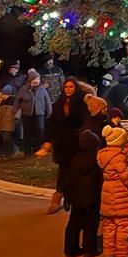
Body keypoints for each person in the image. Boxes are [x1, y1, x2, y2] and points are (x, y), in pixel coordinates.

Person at [97, 124, 128, 257]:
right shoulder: (118, 158)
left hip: (107, 192)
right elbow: (125, 176)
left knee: (109, 224)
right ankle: (122, 254)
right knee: (123, 225)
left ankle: (108, 252)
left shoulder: (105, 154)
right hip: (119, 193)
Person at [47, 78, 89, 215]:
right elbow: (52, 122)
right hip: (62, 144)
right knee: (63, 171)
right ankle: (57, 198)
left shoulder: (81, 103)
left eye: (71, 87)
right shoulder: (59, 103)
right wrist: (47, 140)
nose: (68, 89)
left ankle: (73, 198)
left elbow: (83, 121)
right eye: (66, 87)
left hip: (76, 143)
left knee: (76, 171)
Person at [63, 129, 102, 257]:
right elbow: (100, 181)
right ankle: (89, 249)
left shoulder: (74, 160)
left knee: (73, 224)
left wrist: (67, 198)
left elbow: (68, 181)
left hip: (76, 198)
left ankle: (70, 249)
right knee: (90, 224)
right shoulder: (96, 161)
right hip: (92, 198)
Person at [15, 70, 52, 157]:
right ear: (31, 80)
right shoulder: (24, 89)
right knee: (27, 133)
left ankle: (37, 149)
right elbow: (17, 100)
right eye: (35, 79)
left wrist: (49, 111)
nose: (37, 81)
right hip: (27, 114)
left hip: (40, 114)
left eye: (38, 79)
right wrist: (15, 110)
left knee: (40, 131)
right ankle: (27, 152)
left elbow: (47, 100)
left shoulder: (42, 89)